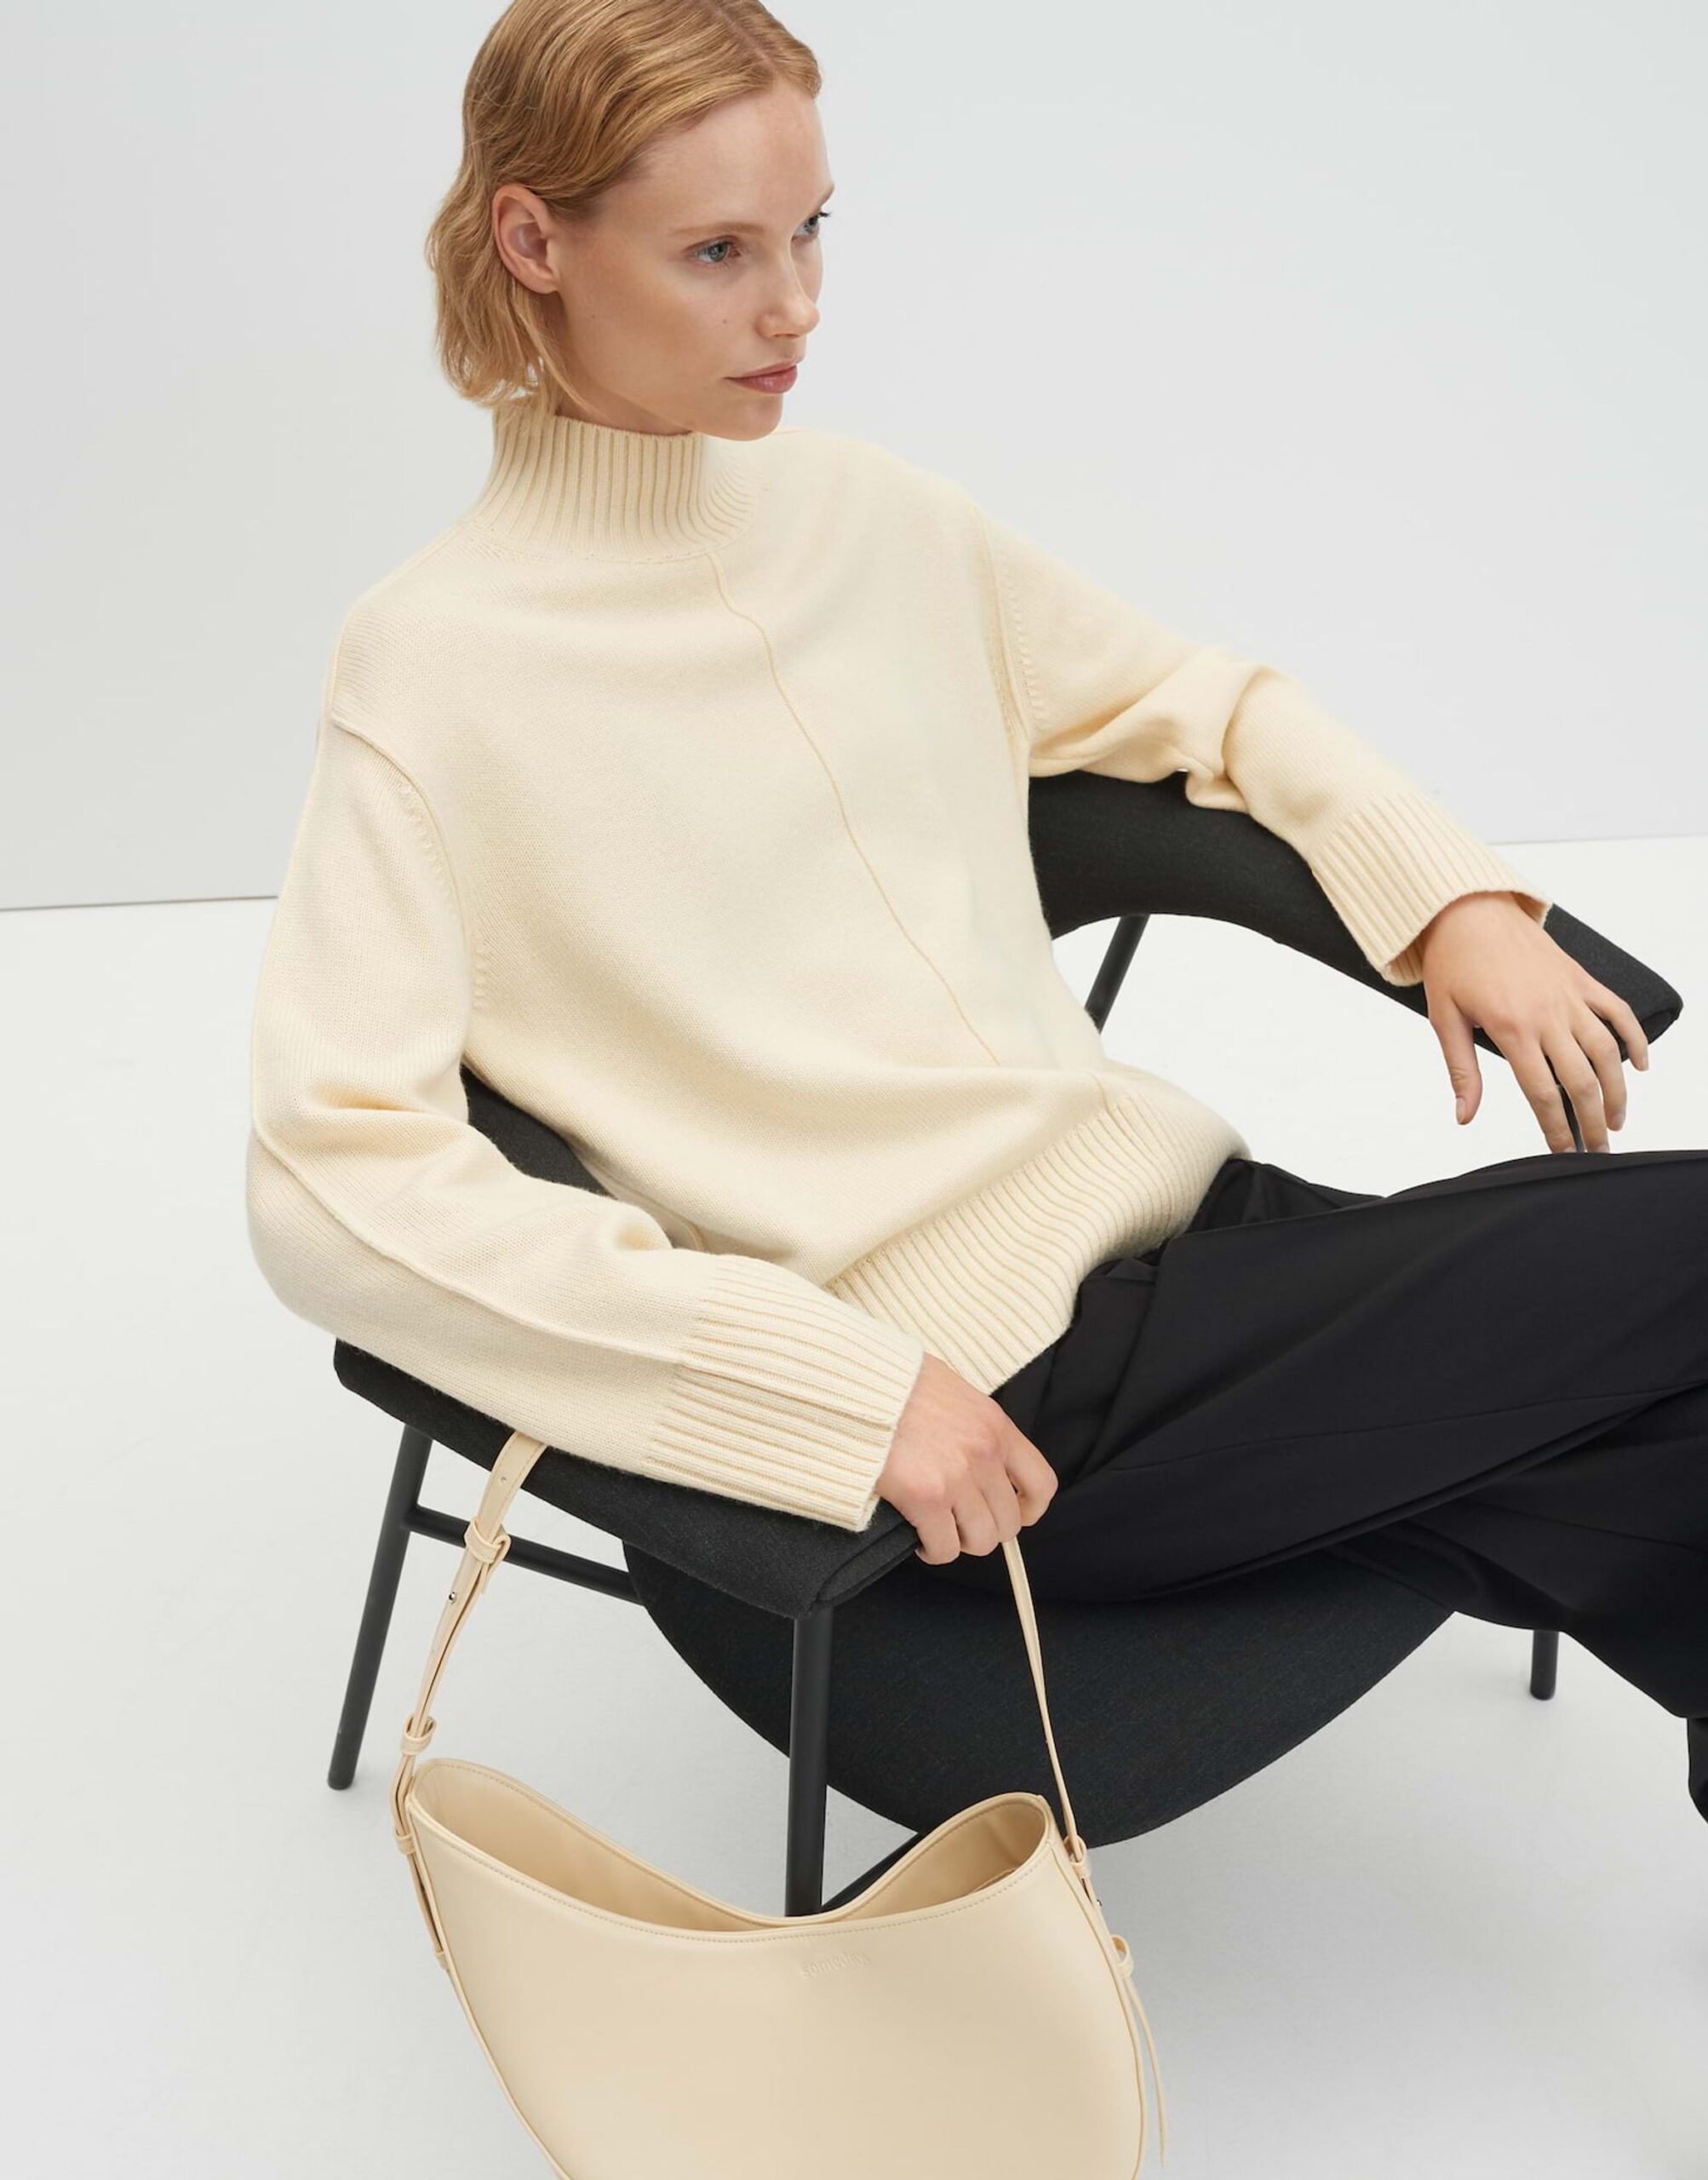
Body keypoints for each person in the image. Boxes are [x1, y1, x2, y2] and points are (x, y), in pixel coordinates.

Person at [245, 0, 1706, 1822]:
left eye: (810, 231)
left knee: (1671, 1455)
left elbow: (1199, 705)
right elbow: (337, 1175)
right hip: (1008, 1399)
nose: (793, 306)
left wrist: (1456, 901)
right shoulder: (437, 667)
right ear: (534, 241)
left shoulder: (869, 520)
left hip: (1192, 1253)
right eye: (717, 252)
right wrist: (837, 1392)